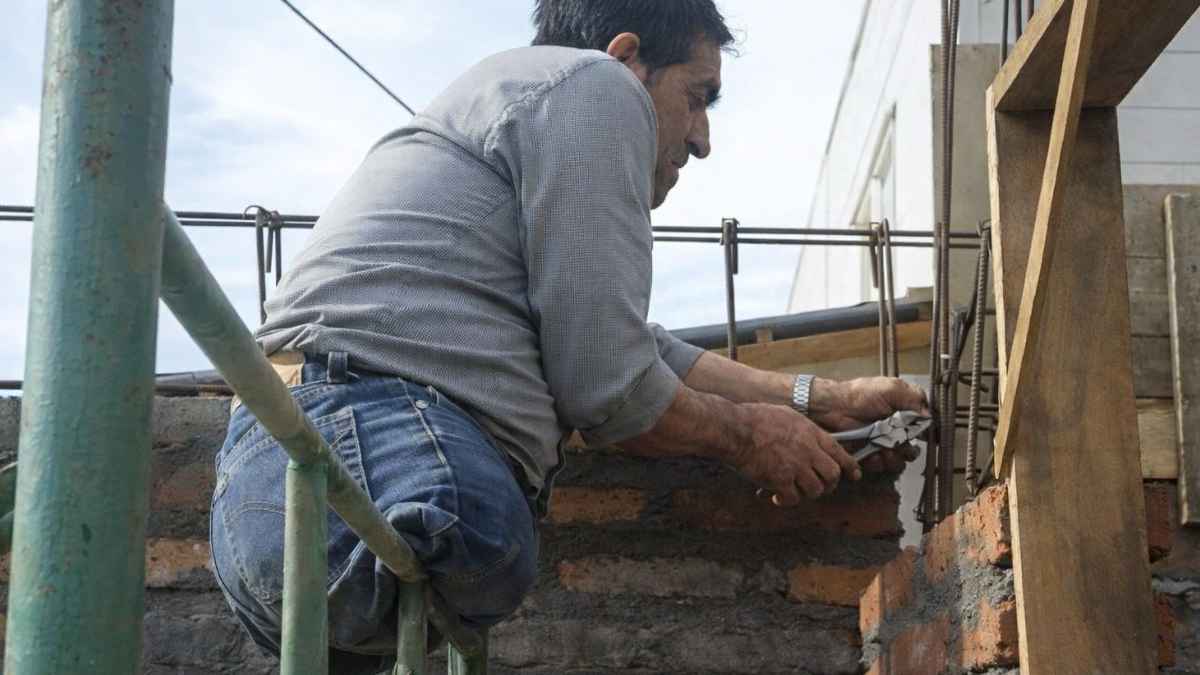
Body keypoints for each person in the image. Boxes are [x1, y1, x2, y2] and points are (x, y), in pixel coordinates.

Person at [208, 1, 927, 671]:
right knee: (485, 528)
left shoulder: (521, 103)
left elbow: (636, 348)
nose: (702, 139)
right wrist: (748, 438)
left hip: (283, 482)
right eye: (698, 96)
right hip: (370, 450)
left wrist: (817, 397)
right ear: (628, 56)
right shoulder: (596, 85)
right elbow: (609, 386)